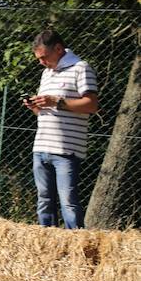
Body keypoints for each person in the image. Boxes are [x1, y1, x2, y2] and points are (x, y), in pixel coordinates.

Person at [23, 30, 99, 229]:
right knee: (44, 200)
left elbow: (91, 105)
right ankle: (46, 244)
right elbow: (47, 114)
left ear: (58, 49)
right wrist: (36, 108)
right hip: (41, 147)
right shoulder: (46, 73)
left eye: (44, 57)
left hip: (66, 150)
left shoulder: (81, 68)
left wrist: (57, 102)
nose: (41, 62)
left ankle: (77, 247)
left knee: (68, 202)